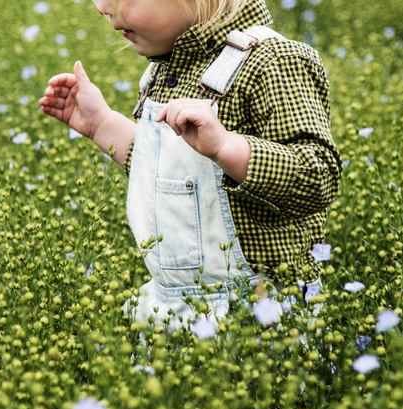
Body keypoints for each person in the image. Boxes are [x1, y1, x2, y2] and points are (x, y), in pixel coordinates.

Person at [39, 0, 341, 332]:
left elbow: (318, 176)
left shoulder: (274, 63)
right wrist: (102, 125)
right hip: (172, 307)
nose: (103, 6)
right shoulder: (165, 70)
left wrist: (227, 147)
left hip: (257, 314)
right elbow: (168, 171)